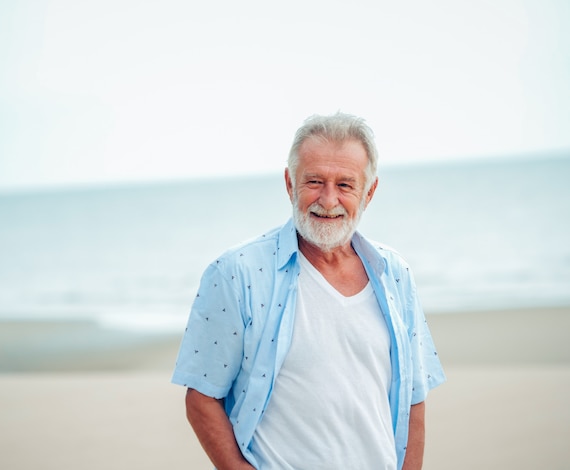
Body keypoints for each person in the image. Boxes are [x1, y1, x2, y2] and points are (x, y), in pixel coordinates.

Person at [171, 112, 446, 470]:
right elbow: (201, 395)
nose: (328, 200)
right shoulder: (237, 273)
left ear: (369, 191)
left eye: (345, 185)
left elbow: (414, 399)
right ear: (289, 183)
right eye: (314, 181)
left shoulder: (394, 274)